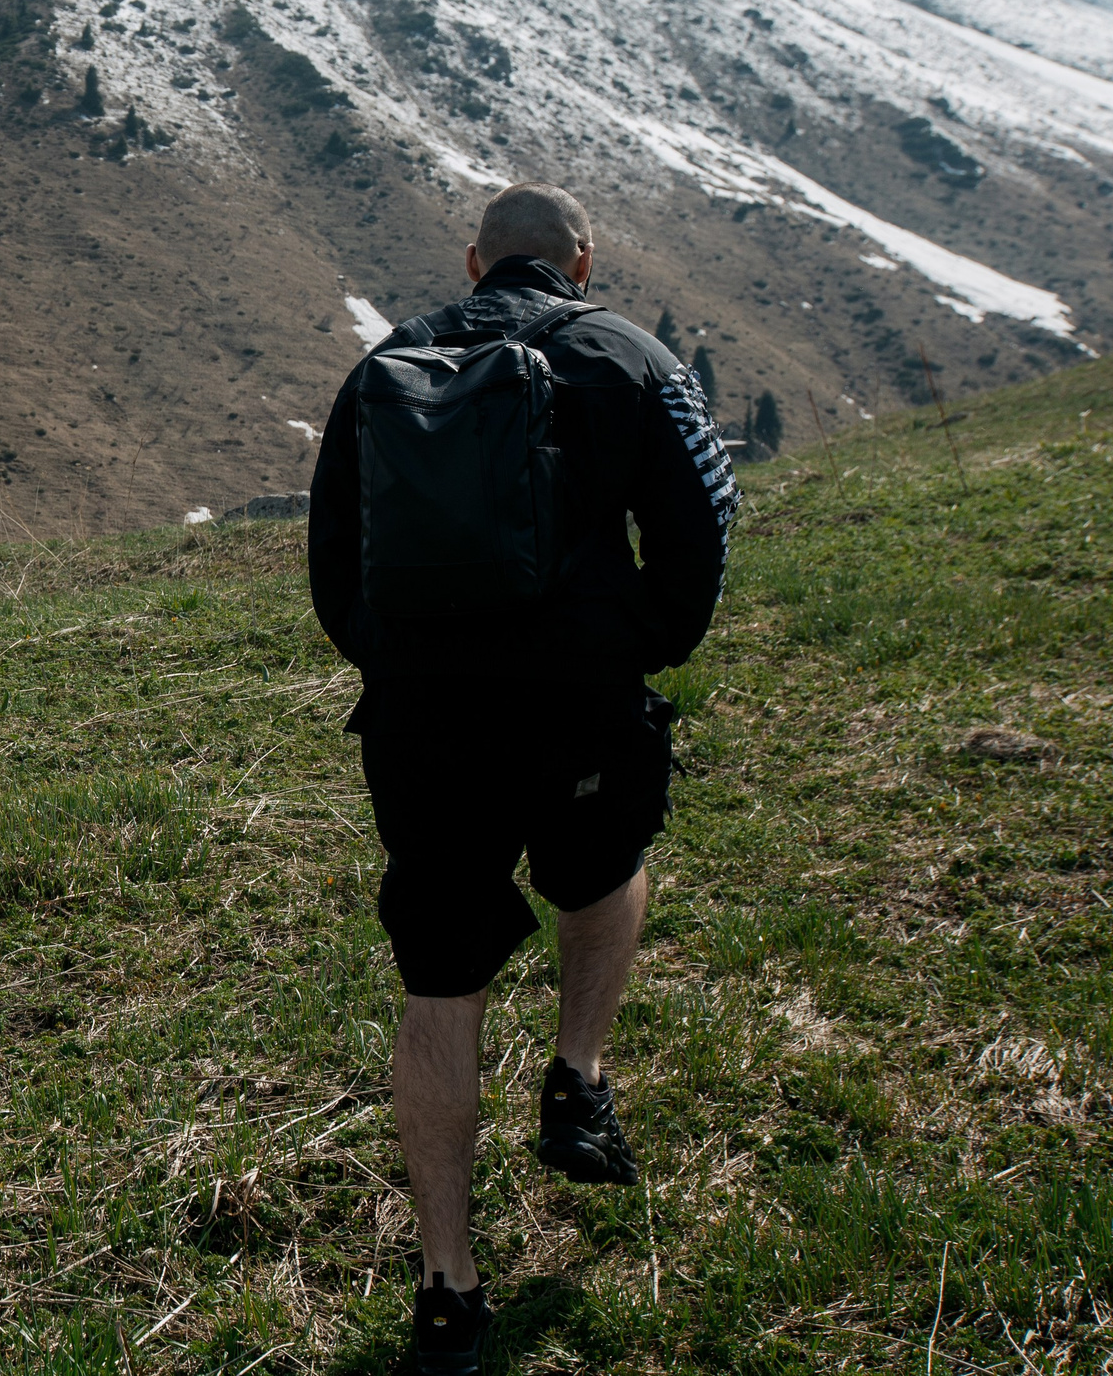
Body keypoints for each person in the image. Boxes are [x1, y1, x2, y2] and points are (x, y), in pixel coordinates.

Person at [306, 183, 736, 1373]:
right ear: (581, 262)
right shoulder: (629, 355)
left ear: (473, 260)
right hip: (582, 702)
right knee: (604, 867)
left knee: (439, 982)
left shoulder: (387, 362)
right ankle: (576, 1074)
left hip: (419, 723)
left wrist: (397, 661)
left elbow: (332, 556)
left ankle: (447, 1287)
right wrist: (641, 641)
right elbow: (703, 522)